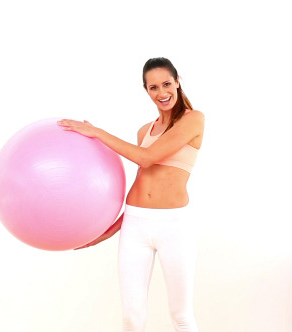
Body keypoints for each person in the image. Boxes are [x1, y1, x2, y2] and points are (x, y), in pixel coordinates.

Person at [58, 57, 204, 332]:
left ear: (177, 82)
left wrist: (97, 132)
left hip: (174, 226)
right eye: (153, 87)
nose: (162, 93)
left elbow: (147, 158)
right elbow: (142, 182)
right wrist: (109, 230)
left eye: (166, 84)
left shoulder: (193, 120)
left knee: (181, 316)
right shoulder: (144, 131)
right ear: (146, 90)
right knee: (131, 318)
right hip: (135, 223)